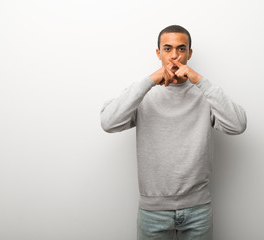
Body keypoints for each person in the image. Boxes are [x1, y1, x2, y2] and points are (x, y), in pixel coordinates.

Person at [100, 25, 247, 240]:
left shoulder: (204, 95)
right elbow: (108, 122)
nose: (174, 56)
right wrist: (150, 80)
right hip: (153, 211)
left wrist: (200, 81)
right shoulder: (143, 95)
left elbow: (238, 125)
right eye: (167, 49)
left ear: (189, 53)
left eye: (181, 49)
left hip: (198, 209)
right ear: (158, 53)